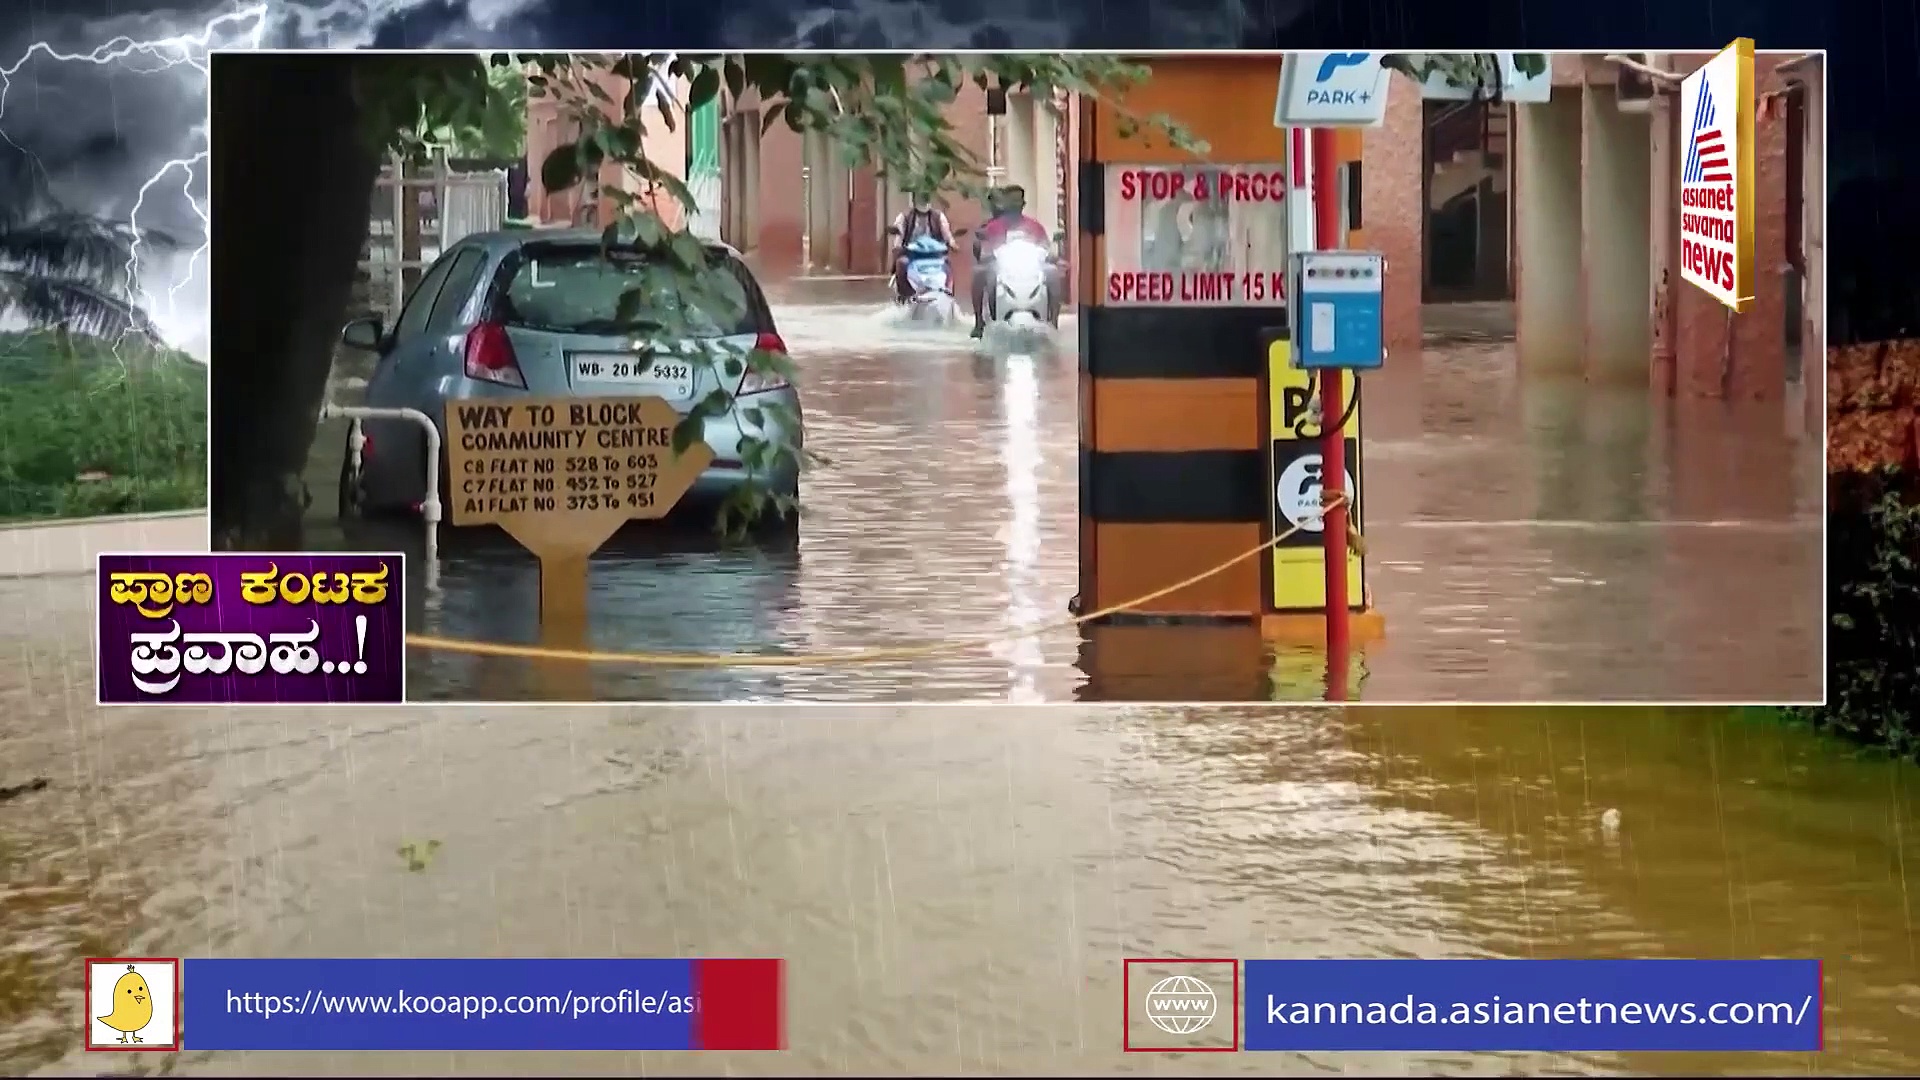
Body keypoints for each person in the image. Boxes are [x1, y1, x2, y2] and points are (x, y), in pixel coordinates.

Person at [970, 184, 1060, 338]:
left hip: (1031, 268)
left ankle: (1053, 322)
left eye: (1017, 201)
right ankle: (980, 321)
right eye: (1011, 201)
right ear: (1005, 204)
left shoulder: (1034, 226)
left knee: (1053, 272)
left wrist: (1051, 254)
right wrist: (986, 254)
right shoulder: (993, 227)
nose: (1015, 205)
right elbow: (984, 248)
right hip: (1003, 268)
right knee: (980, 273)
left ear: (1023, 204)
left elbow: (1046, 247)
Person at [889, 194, 956, 303]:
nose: (923, 214)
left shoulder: (938, 216)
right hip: (912, 254)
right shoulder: (904, 217)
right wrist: (898, 247)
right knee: (901, 263)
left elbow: (947, 234)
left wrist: (952, 243)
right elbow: (899, 236)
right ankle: (905, 294)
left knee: (947, 262)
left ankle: (949, 291)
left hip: (934, 254)